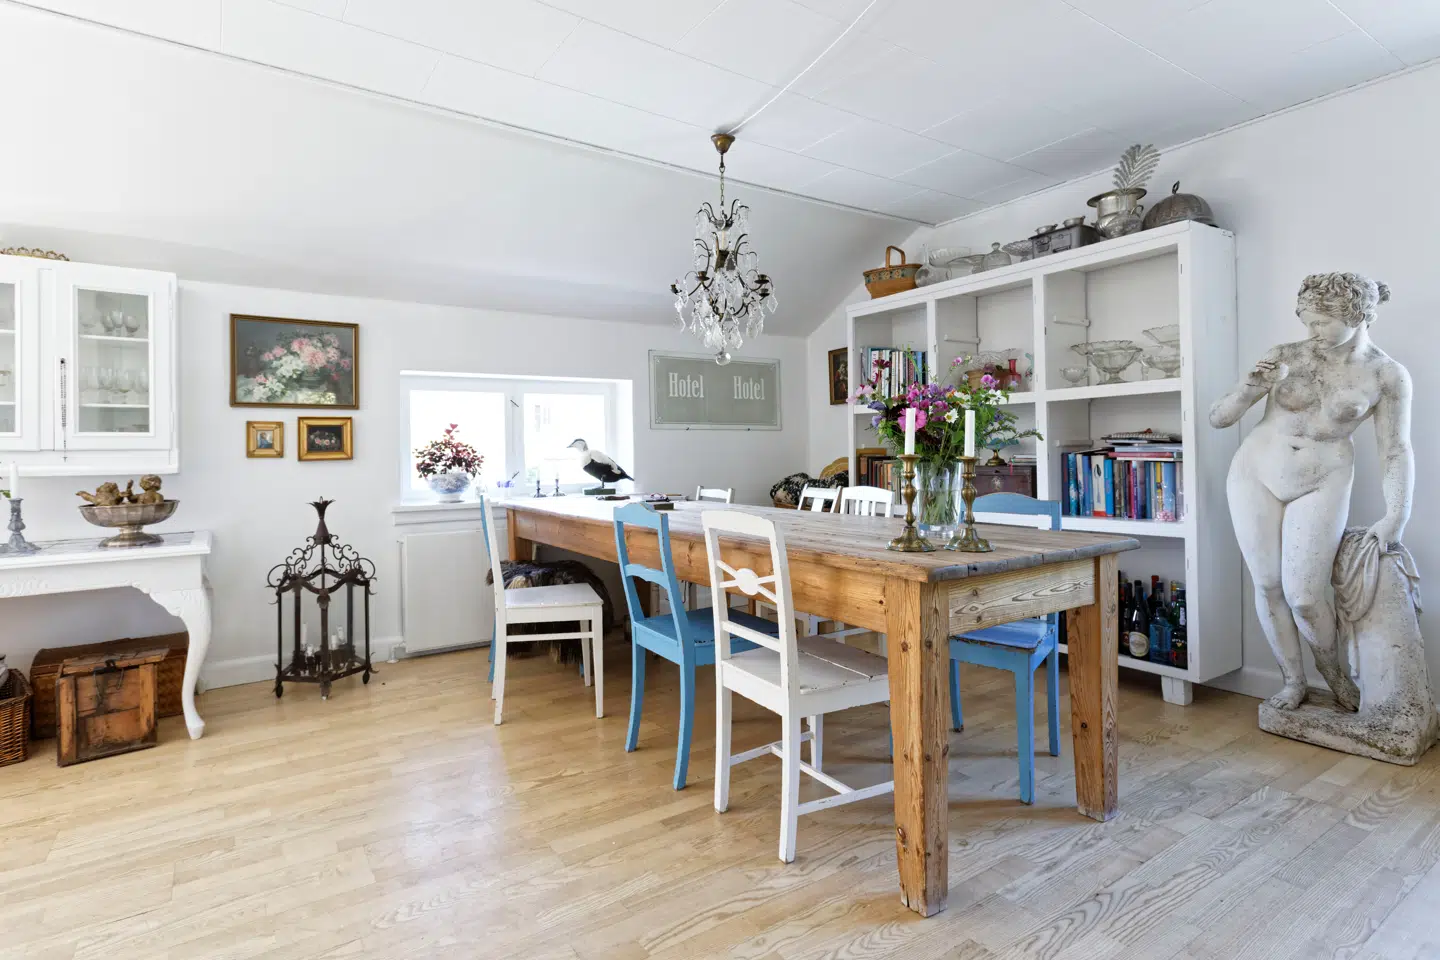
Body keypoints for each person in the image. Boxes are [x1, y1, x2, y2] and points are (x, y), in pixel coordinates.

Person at [1209, 272, 1412, 712]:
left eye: (1321, 322)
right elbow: (1220, 418)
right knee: (1268, 585)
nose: (1311, 331)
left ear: (1357, 316)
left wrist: (1397, 513)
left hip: (1323, 481)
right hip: (1255, 472)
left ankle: (1333, 672)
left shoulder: (1386, 374)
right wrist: (1249, 389)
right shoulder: (1284, 355)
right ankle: (1292, 681)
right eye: (1306, 320)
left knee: (1304, 596)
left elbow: (1396, 449)